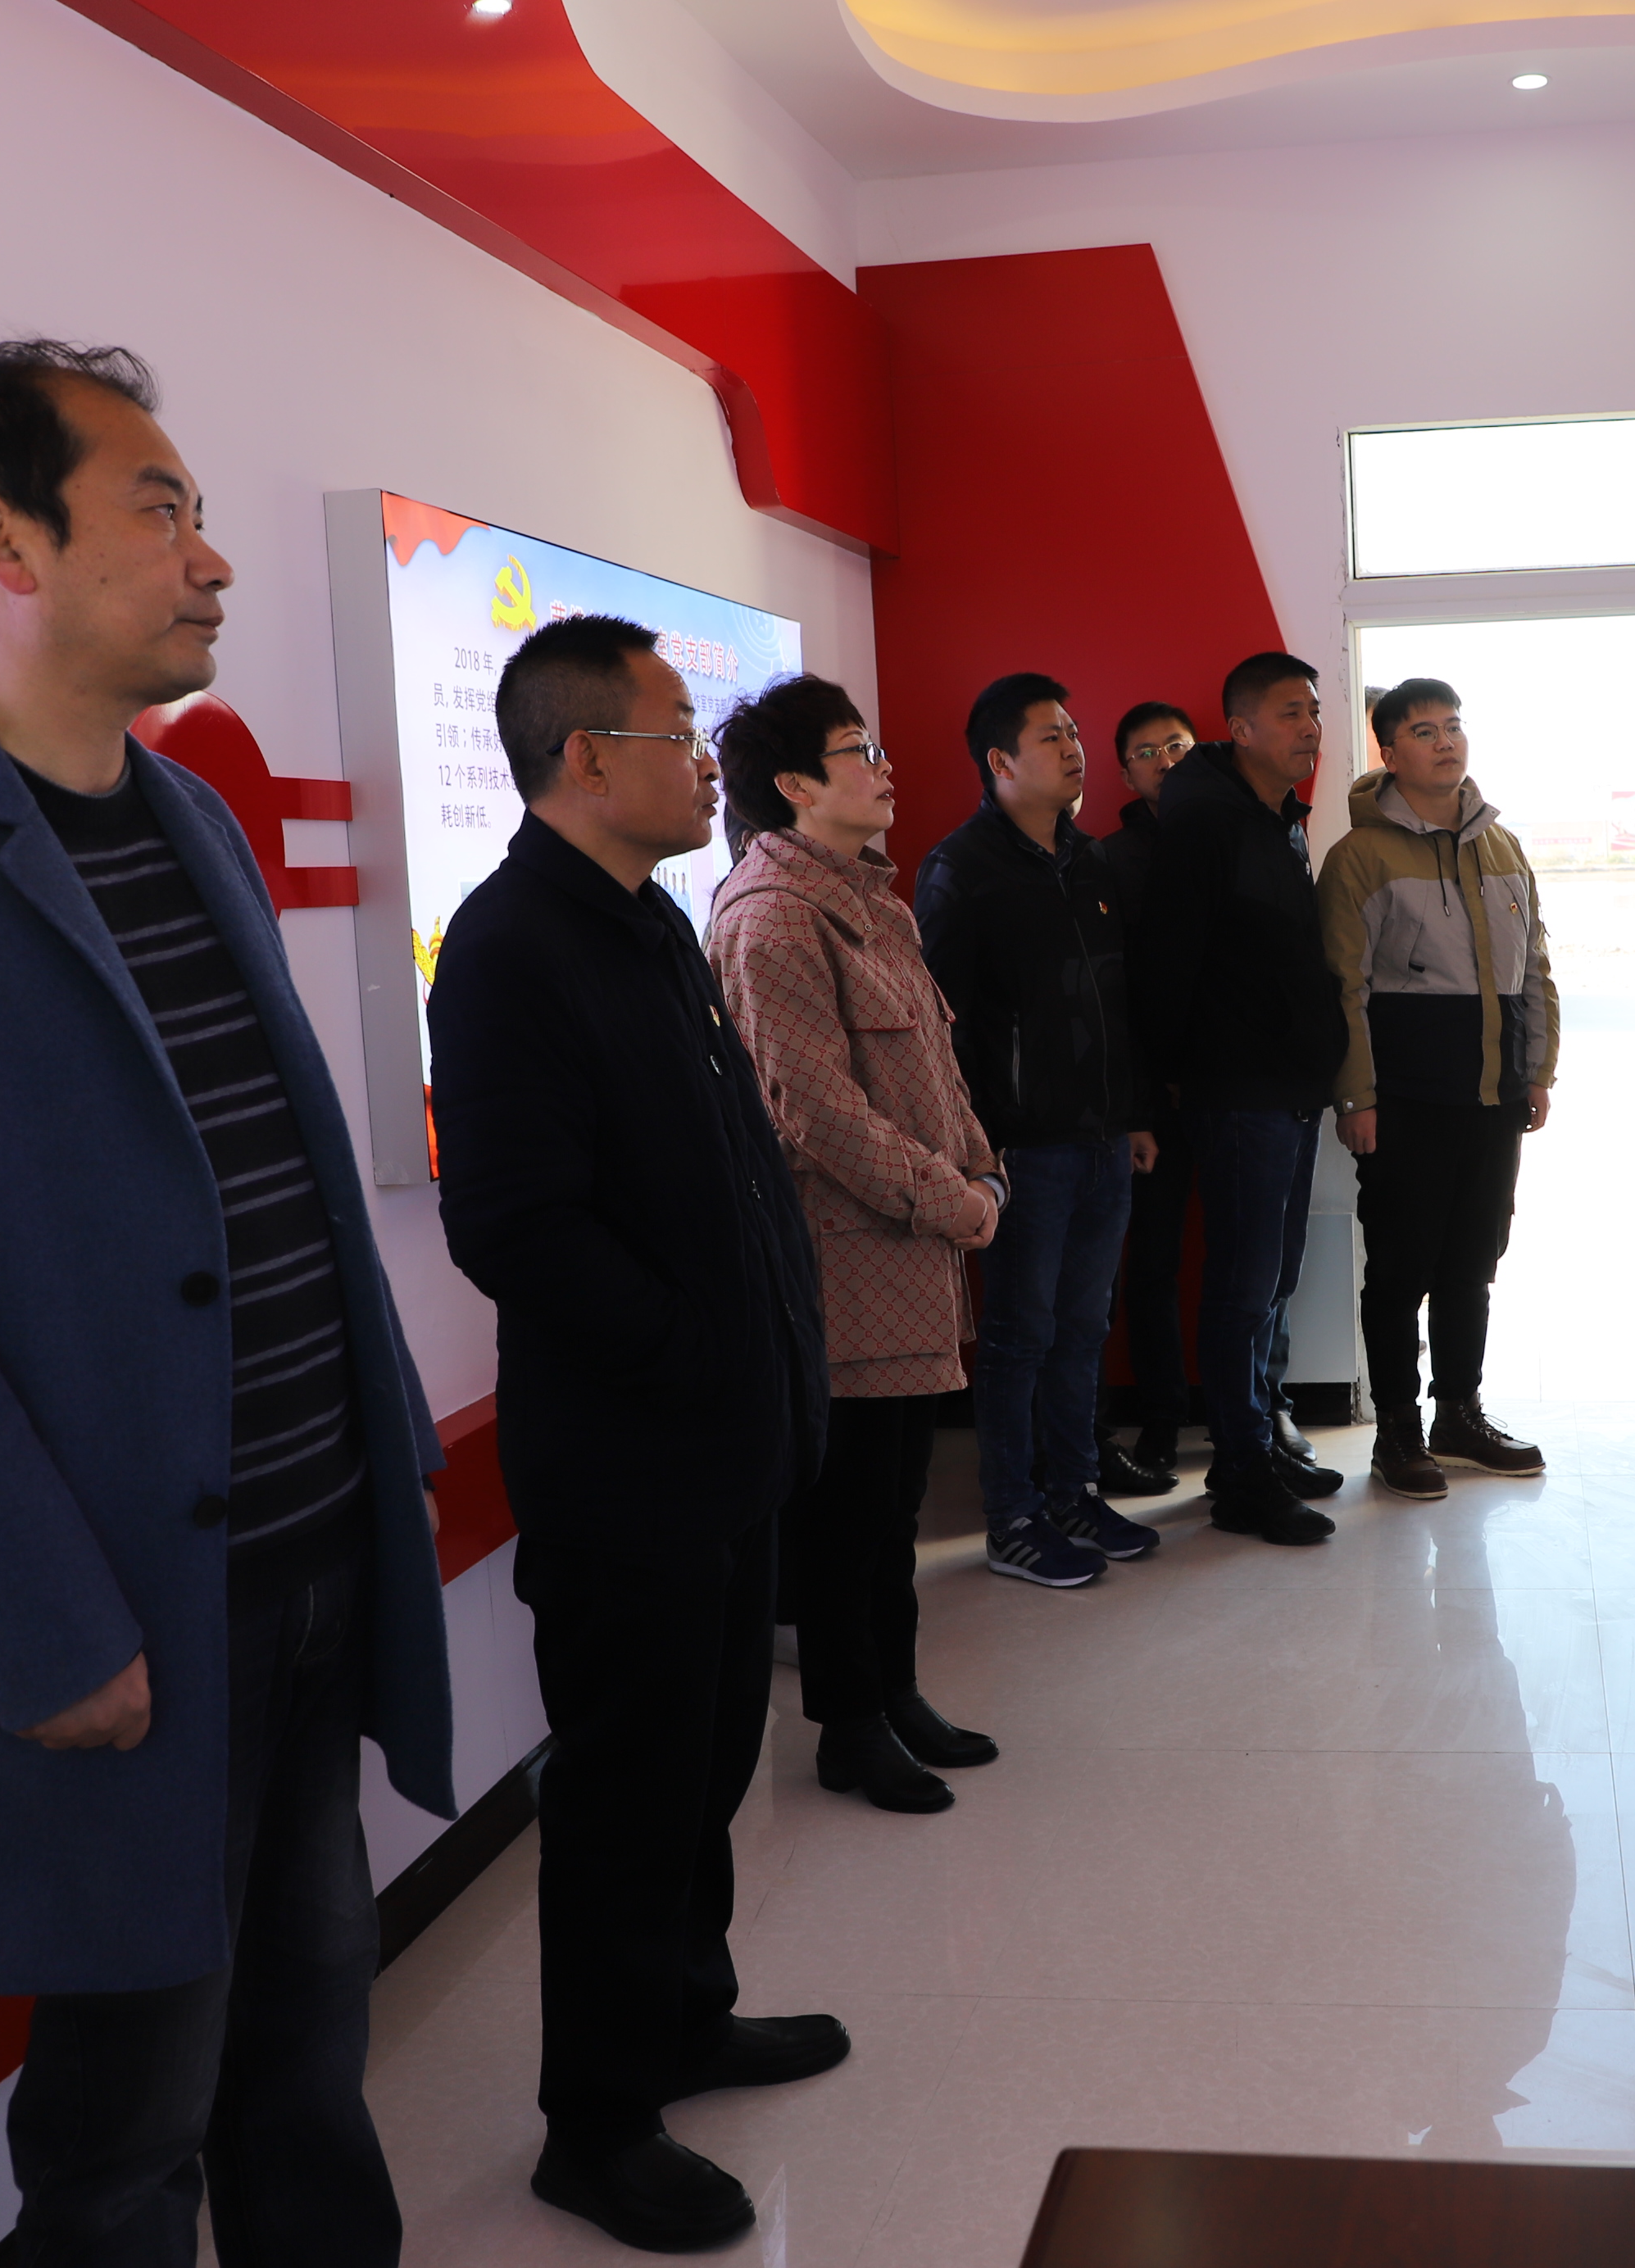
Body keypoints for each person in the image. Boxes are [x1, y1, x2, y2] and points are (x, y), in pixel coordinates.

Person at [0, 341, 453, 2266]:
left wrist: (382, 1478)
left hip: (305, 1561)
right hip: (129, 1617)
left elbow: (281, 1182)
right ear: (3, 539)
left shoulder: (187, 818)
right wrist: (45, 1631)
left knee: (309, 2047)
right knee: (129, 2127)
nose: (212, 557)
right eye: (162, 507)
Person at [428, 615, 843, 2252]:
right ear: (587, 754)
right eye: (683, 733)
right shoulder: (512, 944)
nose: (709, 763)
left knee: (707, 1758)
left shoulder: (651, 920)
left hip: (721, 1443)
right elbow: (512, 1223)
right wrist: (687, 1353)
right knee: (624, 1793)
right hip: (630, 1462)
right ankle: (594, 2124)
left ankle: (685, 2015)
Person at [706, 674, 1020, 1818]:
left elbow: (935, 1066)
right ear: (794, 784)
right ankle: (849, 1726)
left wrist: (981, 1171)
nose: (883, 767)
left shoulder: (869, 900)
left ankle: (896, 1693)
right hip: (844, 1263)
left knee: (893, 1509)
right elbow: (813, 1113)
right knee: (844, 1520)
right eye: (856, 750)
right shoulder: (771, 916)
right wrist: (954, 1201)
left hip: (911, 1254)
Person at [916, 672, 1164, 1574]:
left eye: (1073, 731)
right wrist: (976, 1146)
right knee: (1020, 1336)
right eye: (1051, 736)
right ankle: (1012, 1518)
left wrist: (1133, 1114)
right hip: (1019, 1148)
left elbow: (1117, 1003)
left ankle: (1073, 1492)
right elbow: (941, 1024)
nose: (1073, 747)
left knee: (1083, 1328)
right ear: (1000, 760)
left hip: (1102, 1139)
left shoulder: (1089, 861)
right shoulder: (960, 868)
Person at [1129, 651, 1353, 1543]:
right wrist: (1172, 1076)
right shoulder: (1205, 822)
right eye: (1291, 712)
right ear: (1242, 728)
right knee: (1240, 1286)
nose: (1310, 728)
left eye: (1314, 711)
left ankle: (1260, 1439)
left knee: (1274, 1280)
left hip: (1288, 1089)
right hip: (1237, 1092)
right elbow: (1166, 966)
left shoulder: (1275, 818)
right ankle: (1239, 1471)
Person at [1319, 675, 1559, 1499]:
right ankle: (1397, 1429)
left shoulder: (1503, 846)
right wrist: (1357, 1098)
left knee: (1471, 1264)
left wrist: (1536, 1070)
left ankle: (1459, 1414)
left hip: (1492, 1099)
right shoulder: (1359, 856)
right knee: (1398, 1270)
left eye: (1453, 725)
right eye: (1423, 731)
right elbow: (1342, 988)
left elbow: (1535, 968)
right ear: (1389, 752)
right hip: (1404, 1104)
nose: (1445, 740)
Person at [1104, 698, 1200, 1487]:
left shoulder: (1248, 836)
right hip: (1151, 1101)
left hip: (1242, 1090)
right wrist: (1138, 1106)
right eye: (1147, 752)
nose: (1165, 762)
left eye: (1177, 746)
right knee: (1152, 1263)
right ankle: (1163, 1415)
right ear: (1125, 773)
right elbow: (1113, 998)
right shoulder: (1108, 860)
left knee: (1256, 1264)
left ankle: (1258, 1408)